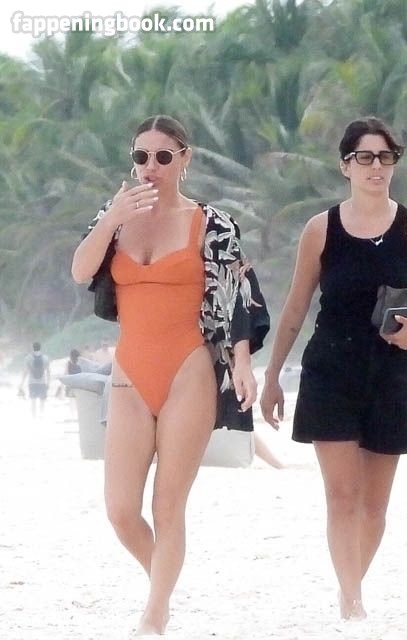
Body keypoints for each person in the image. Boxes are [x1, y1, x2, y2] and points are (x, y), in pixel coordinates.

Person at [71, 114, 269, 636]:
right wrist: (112, 219)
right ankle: (164, 579)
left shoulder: (212, 223)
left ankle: (154, 614)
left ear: (185, 158)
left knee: (167, 505)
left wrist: (242, 362)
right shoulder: (116, 216)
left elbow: (240, 298)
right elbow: (81, 270)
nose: (151, 167)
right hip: (129, 372)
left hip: (189, 368)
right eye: (141, 157)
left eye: (163, 156)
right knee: (120, 510)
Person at [259, 117, 407, 620]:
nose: (376, 167)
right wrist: (272, 375)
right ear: (345, 165)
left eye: (385, 157)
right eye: (365, 157)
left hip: (392, 371)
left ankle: (351, 587)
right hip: (331, 369)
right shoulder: (320, 229)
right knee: (342, 496)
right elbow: (295, 308)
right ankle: (352, 600)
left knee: (374, 506)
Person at [19, 341, 50, 418]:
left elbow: (25, 372)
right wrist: (48, 383)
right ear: (40, 348)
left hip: (32, 382)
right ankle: (41, 416)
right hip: (42, 382)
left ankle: (34, 418)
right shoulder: (45, 358)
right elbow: (48, 372)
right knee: (42, 401)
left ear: (33, 348)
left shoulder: (28, 358)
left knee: (33, 401)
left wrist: (21, 384)